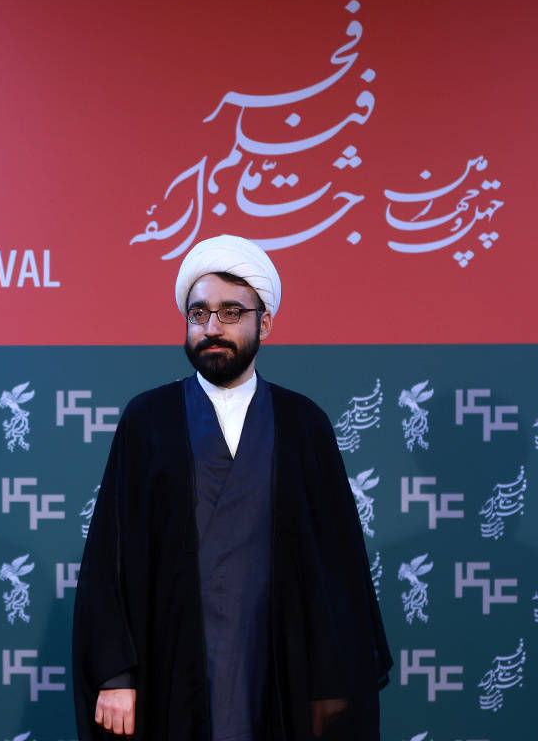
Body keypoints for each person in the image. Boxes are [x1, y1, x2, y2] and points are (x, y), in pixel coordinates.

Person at [71, 234, 391, 741]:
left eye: (230, 312)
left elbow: (337, 566)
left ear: (264, 323)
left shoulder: (304, 424)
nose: (212, 328)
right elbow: (109, 558)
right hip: (169, 665)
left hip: (279, 666)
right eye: (198, 314)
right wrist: (115, 675)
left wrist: (330, 680)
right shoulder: (147, 420)